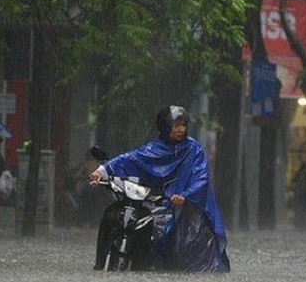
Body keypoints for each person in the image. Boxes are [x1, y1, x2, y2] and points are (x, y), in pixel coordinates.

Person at [88, 105, 230, 272]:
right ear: (165, 127)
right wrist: (102, 171)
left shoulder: (194, 150)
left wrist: (185, 195)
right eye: (177, 125)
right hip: (162, 204)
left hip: (189, 210)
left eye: (184, 125)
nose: (181, 130)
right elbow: (131, 159)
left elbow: (201, 179)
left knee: (190, 255)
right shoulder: (154, 149)